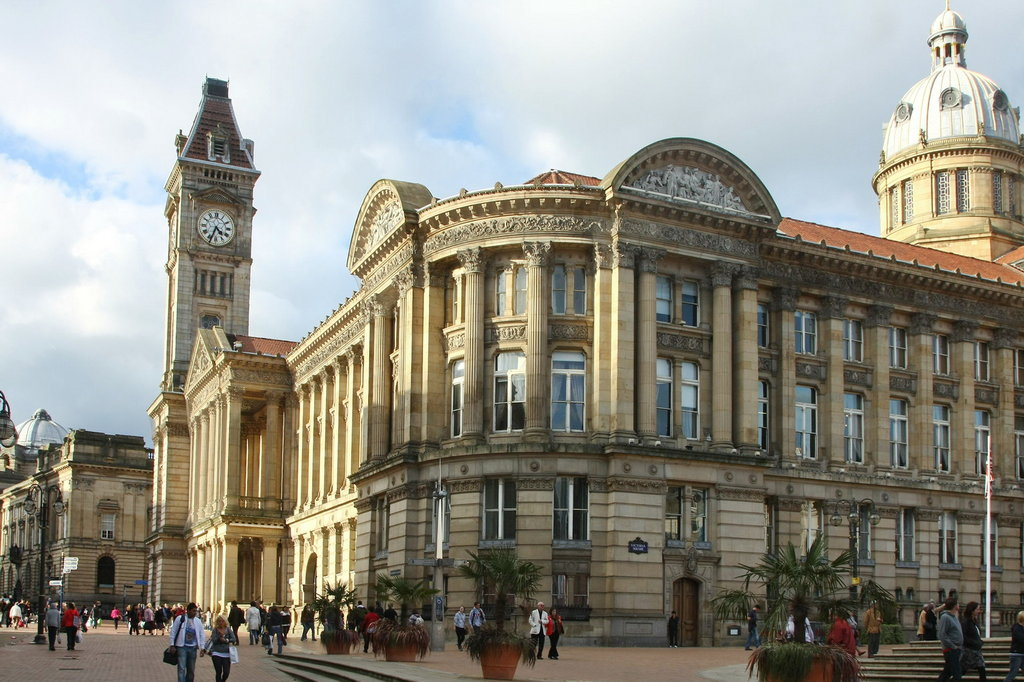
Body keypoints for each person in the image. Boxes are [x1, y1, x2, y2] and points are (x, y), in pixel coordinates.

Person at [169, 602, 206, 682]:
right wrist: (172, 644)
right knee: (181, 668)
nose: (195, 613)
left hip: (193, 648)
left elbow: (201, 634)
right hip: (182, 647)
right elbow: (173, 631)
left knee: (191, 670)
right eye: (193, 611)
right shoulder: (180, 619)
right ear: (188, 611)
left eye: (195, 611)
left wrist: (202, 647)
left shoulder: (198, 621)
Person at [203, 614, 239, 682]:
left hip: (226, 653)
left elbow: (233, 639)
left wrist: (226, 640)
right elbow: (213, 640)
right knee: (218, 671)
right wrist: (219, 638)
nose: (221, 623)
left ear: (225, 622)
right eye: (219, 621)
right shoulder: (215, 630)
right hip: (216, 653)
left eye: (222, 621)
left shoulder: (228, 629)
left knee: (226, 672)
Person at [936, 596, 963, 682]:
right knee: (956, 673)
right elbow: (942, 634)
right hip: (950, 649)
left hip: (956, 648)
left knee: (947, 672)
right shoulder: (945, 617)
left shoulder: (954, 617)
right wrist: (953, 646)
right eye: (957, 603)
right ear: (954, 605)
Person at [961, 601, 987, 682]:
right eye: (977, 609)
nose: (979, 611)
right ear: (972, 610)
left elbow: (976, 634)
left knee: (982, 669)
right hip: (969, 651)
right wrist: (974, 642)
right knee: (963, 670)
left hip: (976, 650)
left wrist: (979, 641)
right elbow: (963, 636)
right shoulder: (966, 622)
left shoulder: (974, 621)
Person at [1004, 609, 1024, 681]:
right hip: (1016, 654)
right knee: (1013, 673)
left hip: (1021, 653)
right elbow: (1021, 639)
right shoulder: (1017, 628)